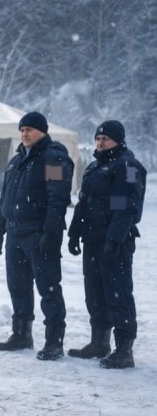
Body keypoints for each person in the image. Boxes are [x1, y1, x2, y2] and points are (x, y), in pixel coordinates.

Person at [0, 111, 74, 361]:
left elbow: (57, 199)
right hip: (15, 233)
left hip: (39, 234)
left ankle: (54, 341)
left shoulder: (54, 158)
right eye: (22, 129)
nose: (25, 134)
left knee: (48, 288)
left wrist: (50, 233)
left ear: (43, 131)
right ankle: (21, 334)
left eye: (30, 129)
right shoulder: (16, 161)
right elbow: (5, 198)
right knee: (17, 286)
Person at [67, 120, 146, 369]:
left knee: (118, 293)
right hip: (91, 239)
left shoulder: (128, 166)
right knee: (95, 292)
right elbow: (83, 203)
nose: (100, 143)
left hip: (115, 242)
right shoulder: (93, 167)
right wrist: (74, 232)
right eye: (98, 139)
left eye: (106, 139)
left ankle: (124, 349)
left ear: (118, 141)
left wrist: (114, 239)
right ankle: (99, 342)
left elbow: (127, 207)